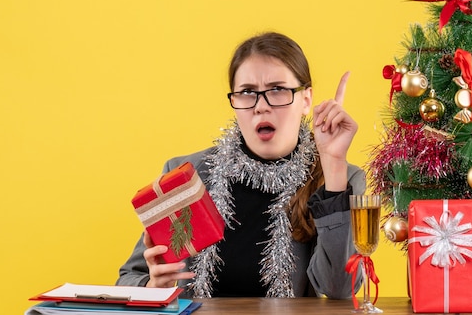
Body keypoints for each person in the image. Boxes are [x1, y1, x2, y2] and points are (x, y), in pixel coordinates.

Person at [116, 31, 365, 299]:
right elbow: (128, 279)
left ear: (305, 100)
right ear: (234, 102)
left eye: (278, 90)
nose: (261, 106)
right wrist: (154, 288)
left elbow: (340, 289)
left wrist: (333, 164)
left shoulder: (342, 179)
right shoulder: (187, 176)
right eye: (247, 92)